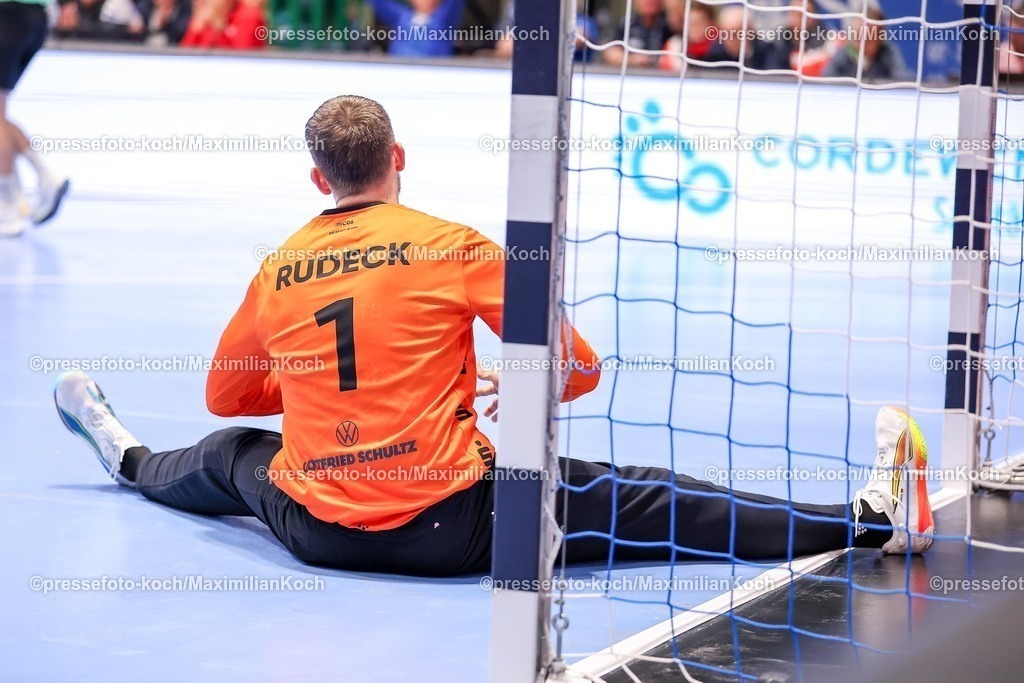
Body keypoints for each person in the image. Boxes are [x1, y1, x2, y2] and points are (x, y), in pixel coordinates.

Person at [53, 95, 935, 577]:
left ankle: (124, 455)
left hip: (318, 527)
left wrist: (315, 377)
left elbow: (226, 395)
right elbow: (579, 369)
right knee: (650, 497)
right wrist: (524, 380)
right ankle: (866, 522)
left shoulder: (278, 265)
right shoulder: (452, 244)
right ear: (400, 159)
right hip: (454, 526)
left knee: (225, 451)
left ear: (316, 177)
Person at [823, 5, 909, 82]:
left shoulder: (889, 53)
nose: (861, 44)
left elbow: (901, 80)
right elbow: (826, 79)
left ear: (880, 39)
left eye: (867, 39)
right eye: (857, 37)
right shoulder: (846, 52)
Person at [367, 0, 465, 58]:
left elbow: (455, 3)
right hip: (399, 70)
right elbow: (380, 3)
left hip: (432, 73)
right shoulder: (401, 17)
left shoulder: (444, 21)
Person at [603, 0, 670, 68]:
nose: (649, 1)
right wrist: (631, 59)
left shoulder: (670, 24)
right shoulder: (626, 23)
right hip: (633, 75)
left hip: (664, 76)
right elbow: (611, 52)